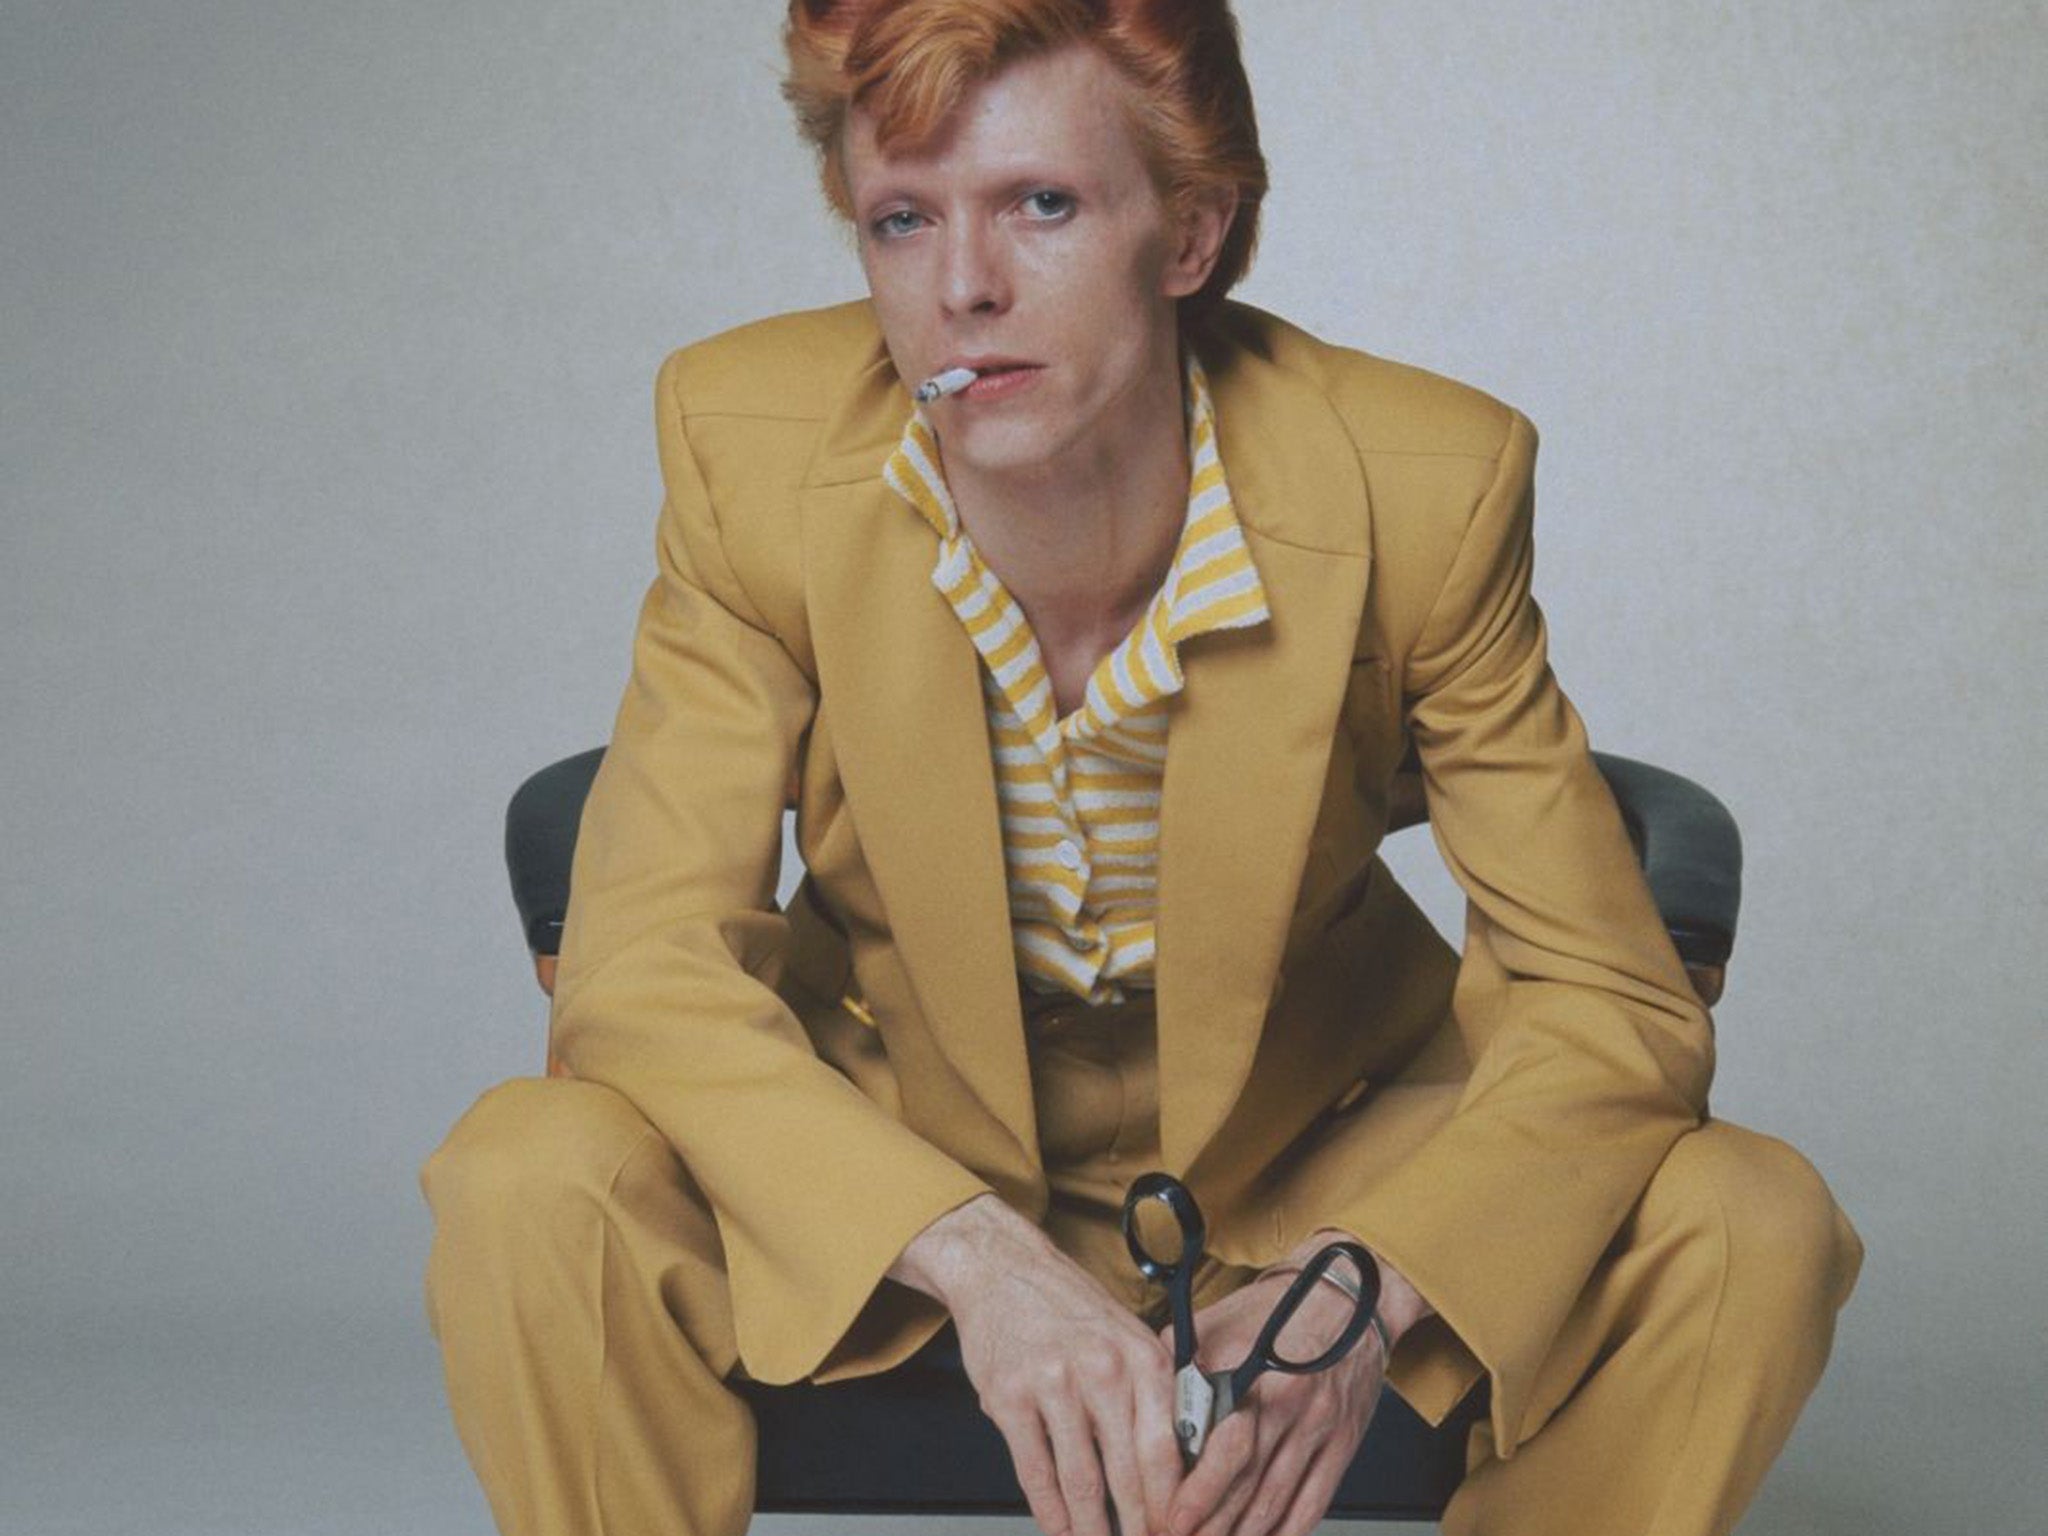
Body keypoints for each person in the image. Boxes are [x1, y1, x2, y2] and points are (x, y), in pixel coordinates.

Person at [420, 3, 1864, 1534]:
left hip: (1320, 1173)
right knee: (530, 1170)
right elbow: (640, 970)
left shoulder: (1426, 486)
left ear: (1188, 232)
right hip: (897, 1164)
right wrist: (973, 1256)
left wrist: (1366, 1290)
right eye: (903, 220)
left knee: (1748, 1218)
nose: (963, 288)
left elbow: (1610, 1003)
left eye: (1040, 205)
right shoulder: (746, 452)